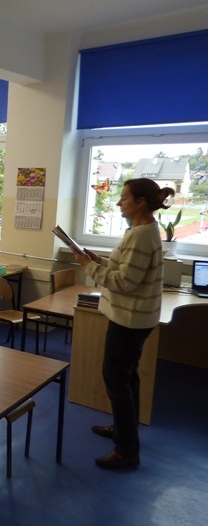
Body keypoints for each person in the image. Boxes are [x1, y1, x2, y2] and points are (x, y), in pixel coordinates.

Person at [74, 178, 171, 470]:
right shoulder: (142, 230)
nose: (119, 202)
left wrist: (88, 266)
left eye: (124, 198)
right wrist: (98, 261)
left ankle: (127, 451)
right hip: (134, 317)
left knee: (116, 379)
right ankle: (124, 428)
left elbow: (125, 282)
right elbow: (125, 269)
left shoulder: (141, 235)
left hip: (130, 319)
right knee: (127, 377)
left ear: (141, 202)